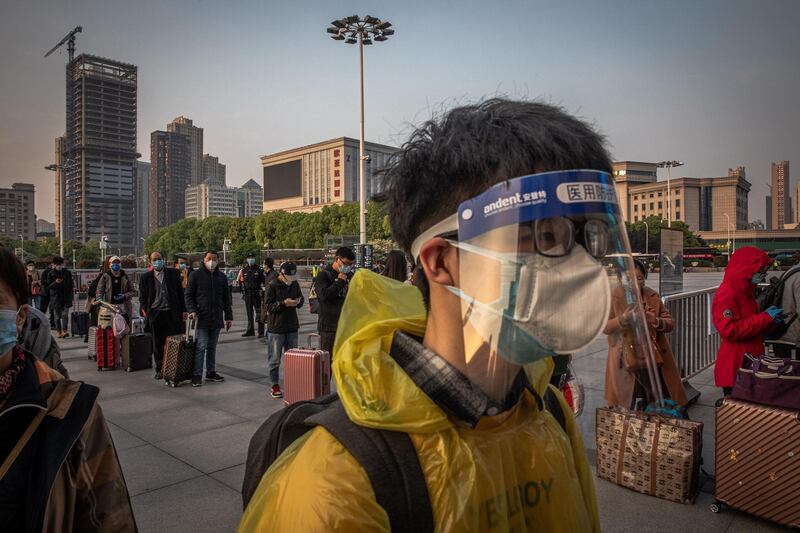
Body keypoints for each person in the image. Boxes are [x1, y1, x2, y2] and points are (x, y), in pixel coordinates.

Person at [238, 99, 645, 531]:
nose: (579, 265)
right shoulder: (337, 487)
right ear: (441, 262)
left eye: (590, 239)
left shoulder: (545, 413)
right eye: (546, 236)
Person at [0, 246, 136, 532]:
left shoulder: (71, 411)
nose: (114, 267)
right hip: (106, 316)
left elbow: (107, 516)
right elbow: (96, 297)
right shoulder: (100, 279)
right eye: (111, 263)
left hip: (120, 316)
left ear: (21, 316)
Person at [604, 259, 688, 408]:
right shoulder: (612, 298)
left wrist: (655, 320)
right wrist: (623, 319)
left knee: (656, 398)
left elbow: (670, 323)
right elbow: (605, 327)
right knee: (625, 403)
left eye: (640, 278)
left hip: (652, 357)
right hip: (625, 359)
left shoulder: (652, 296)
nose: (635, 283)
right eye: (629, 279)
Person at [712, 246, 781, 395]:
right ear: (746, 268)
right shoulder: (727, 294)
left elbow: (750, 323)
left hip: (750, 358)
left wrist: (769, 323)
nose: (762, 276)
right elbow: (730, 331)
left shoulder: (746, 292)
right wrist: (765, 318)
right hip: (736, 362)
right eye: (760, 271)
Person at [185, 251, 232, 387]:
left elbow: (226, 299)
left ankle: (211, 372)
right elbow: (188, 295)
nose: (212, 261)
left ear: (218, 260)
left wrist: (228, 317)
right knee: (201, 346)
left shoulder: (221, 277)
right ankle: (197, 374)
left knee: (212, 347)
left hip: (216, 317)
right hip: (201, 318)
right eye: (209, 259)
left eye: (214, 259)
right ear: (204, 260)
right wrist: (192, 310)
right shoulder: (195, 275)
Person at [139, 251, 186, 379]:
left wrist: (184, 310)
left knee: (173, 341)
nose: (157, 261)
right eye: (154, 259)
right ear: (150, 261)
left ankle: (173, 367)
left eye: (159, 259)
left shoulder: (173, 274)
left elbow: (180, 293)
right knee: (157, 343)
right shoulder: (145, 277)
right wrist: (147, 311)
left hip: (172, 312)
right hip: (155, 313)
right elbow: (142, 297)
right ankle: (159, 368)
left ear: (163, 260)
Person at [264, 262, 304, 399]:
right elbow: (268, 306)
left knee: (292, 358)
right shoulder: (272, 285)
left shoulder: (294, 283)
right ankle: (275, 385)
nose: (291, 279)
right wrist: (283, 304)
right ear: (281, 274)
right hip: (276, 328)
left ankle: (292, 383)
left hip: (292, 325)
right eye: (288, 276)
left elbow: (301, 299)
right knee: (275, 359)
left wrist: (298, 302)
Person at [314, 246, 355, 355]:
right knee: (329, 362)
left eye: (351, 264)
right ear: (337, 259)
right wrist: (340, 282)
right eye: (346, 263)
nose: (348, 267)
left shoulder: (350, 276)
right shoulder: (324, 275)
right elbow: (324, 295)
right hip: (329, 328)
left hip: (346, 326)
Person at [96, 255, 137, 320]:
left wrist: (124, 295)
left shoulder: (125, 277)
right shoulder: (105, 277)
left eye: (117, 262)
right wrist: (99, 298)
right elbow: (99, 291)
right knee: (110, 327)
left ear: (120, 264)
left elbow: (134, 292)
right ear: (109, 265)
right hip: (109, 307)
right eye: (113, 262)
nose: (116, 264)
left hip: (124, 307)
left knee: (123, 327)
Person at [239, 253, 266, 337]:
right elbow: (242, 281)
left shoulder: (259, 270)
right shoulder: (244, 270)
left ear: (255, 258)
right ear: (247, 259)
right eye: (249, 257)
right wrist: (243, 291)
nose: (251, 259)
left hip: (257, 293)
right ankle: (250, 330)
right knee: (249, 313)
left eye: (252, 257)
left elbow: (265, 282)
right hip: (247, 294)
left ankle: (261, 332)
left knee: (259, 312)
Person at [45, 256, 73, 338]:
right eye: (57, 264)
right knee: (57, 316)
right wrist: (56, 282)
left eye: (60, 264)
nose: (59, 266)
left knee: (65, 315)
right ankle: (59, 331)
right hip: (55, 298)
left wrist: (71, 296)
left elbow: (70, 285)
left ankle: (65, 330)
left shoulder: (67, 273)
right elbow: (48, 287)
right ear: (54, 265)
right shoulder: (50, 274)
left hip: (66, 297)